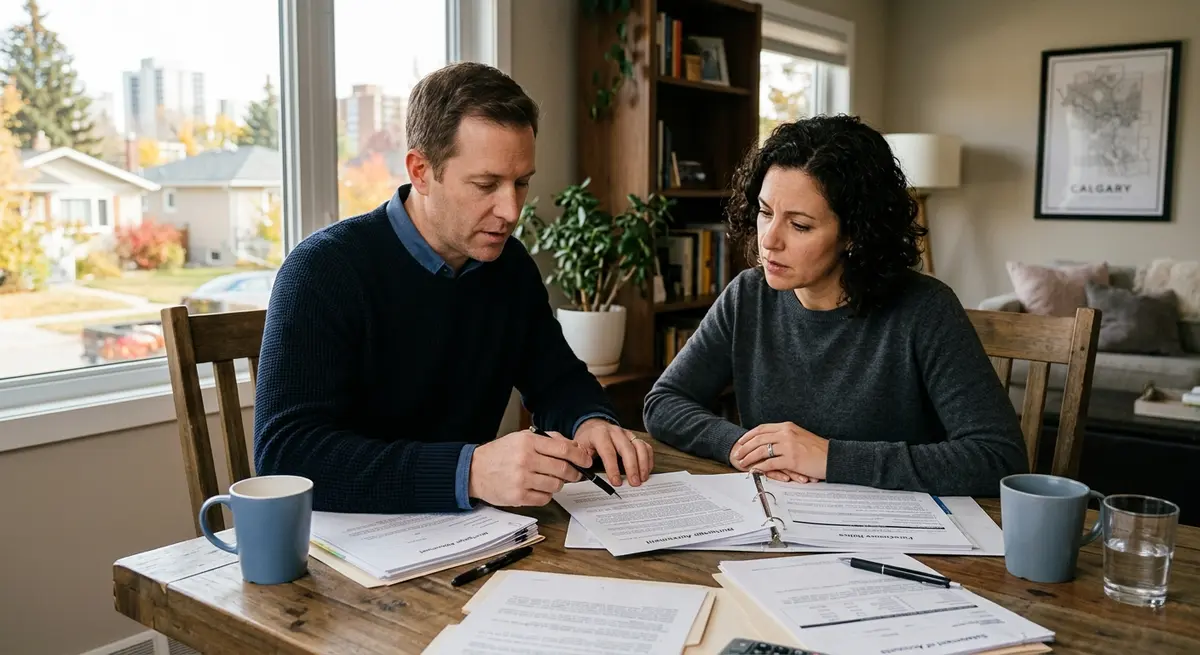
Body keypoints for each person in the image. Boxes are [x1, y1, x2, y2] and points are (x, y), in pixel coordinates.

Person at [254, 62, 653, 514]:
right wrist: (470, 471)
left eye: (522, 183)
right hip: (344, 547)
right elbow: (285, 455)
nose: (511, 210)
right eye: (486, 185)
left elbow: (557, 379)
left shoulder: (509, 267)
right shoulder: (323, 270)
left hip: (471, 537)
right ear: (421, 171)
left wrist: (590, 421)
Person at [642, 115, 1027, 496]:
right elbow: (664, 402)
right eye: (765, 212)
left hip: (899, 537)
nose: (769, 240)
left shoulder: (926, 310)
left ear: (855, 234)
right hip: (780, 520)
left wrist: (829, 458)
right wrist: (743, 446)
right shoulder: (748, 296)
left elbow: (998, 457)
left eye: (800, 225)